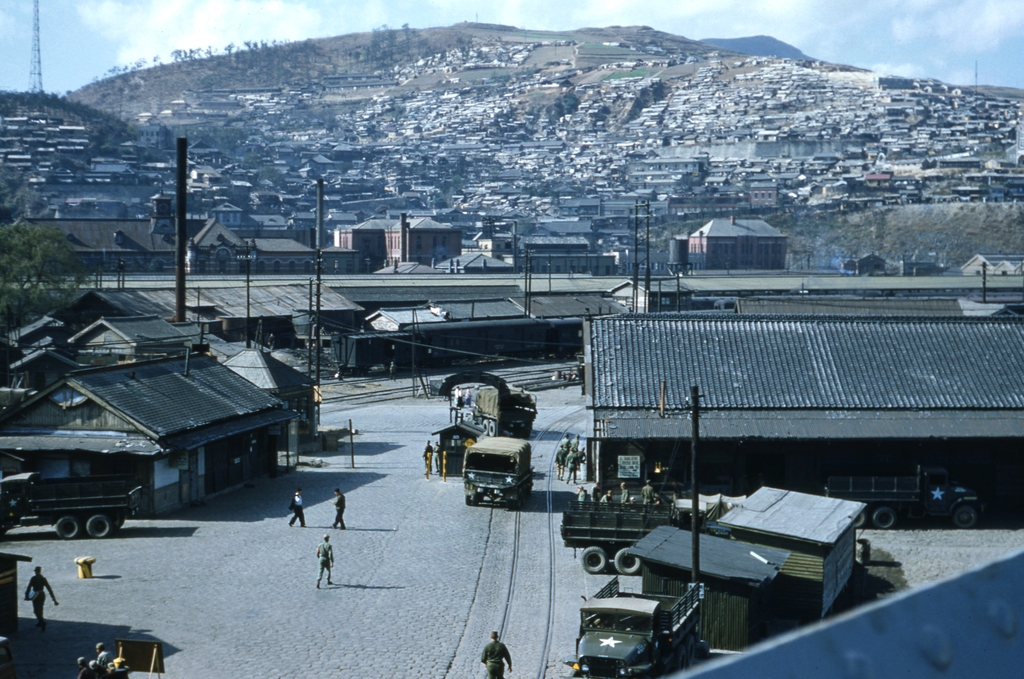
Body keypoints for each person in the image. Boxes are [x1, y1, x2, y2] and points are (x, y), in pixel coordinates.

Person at [25, 566, 57, 631]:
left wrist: (26, 596)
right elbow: (49, 589)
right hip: (42, 594)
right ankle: (40, 622)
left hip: (36, 595)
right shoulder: (43, 579)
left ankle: (42, 622)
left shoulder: (33, 578)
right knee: (40, 609)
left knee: (36, 610)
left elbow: (29, 587)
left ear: (36, 571)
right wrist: (54, 600)